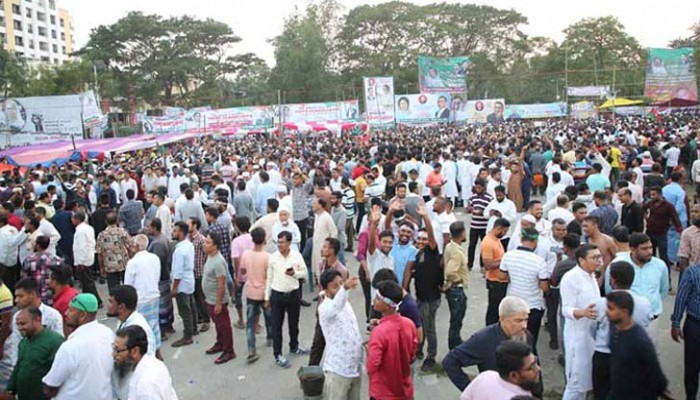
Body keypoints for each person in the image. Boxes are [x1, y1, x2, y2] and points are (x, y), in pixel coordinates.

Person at [443, 296, 538, 393]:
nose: (524, 325)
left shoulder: (527, 336)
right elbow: (450, 361)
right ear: (502, 318)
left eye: (526, 320)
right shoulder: (484, 339)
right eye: (518, 320)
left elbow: (534, 366)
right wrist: (471, 390)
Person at [591, 261, 653, 400]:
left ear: (612, 280)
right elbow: (646, 324)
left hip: (604, 354)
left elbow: (592, 328)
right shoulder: (644, 303)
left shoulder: (601, 303)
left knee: (602, 392)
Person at [42, 293, 114, 400]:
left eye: (71, 310)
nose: (66, 313)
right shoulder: (108, 334)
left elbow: (51, 386)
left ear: (82, 315)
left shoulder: (71, 346)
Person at [606, 291, 669, 400]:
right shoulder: (614, 328)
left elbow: (657, 377)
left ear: (624, 312)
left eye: (611, 308)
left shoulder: (640, 341)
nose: (606, 311)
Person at [605, 233, 669, 339]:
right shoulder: (618, 265)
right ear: (632, 249)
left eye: (650, 247)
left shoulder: (660, 265)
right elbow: (610, 291)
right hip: (623, 320)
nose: (649, 252)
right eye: (644, 249)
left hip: (650, 320)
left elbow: (663, 291)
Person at [560, 244, 603, 400]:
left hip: (592, 337)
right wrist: (582, 312)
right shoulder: (571, 278)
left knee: (586, 383)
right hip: (577, 338)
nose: (599, 261)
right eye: (594, 258)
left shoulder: (592, 276)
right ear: (581, 260)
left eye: (600, 257)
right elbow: (565, 309)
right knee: (575, 384)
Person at [499, 227, 549, 351]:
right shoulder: (539, 261)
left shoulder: (508, 256)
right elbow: (544, 287)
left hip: (513, 306)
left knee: (512, 343)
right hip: (532, 307)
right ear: (536, 242)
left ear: (521, 239)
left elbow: (502, 276)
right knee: (529, 344)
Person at [366, 280, 417, 400]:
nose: (374, 300)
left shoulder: (378, 333)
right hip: (405, 389)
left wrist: (369, 349)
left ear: (388, 305)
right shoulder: (409, 324)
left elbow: (372, 365)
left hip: (383, 392)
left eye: (378, 298)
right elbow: (412, 352)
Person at [265, 231, 309, 368]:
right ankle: (277, 354)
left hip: (293, 294)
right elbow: (269, 278)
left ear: (289, 243)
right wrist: (267, 297)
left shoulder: (296, 256)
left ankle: (294, 346)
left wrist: (294, 274)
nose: (280, 245)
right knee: (277, 326)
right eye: (278, 242)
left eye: (282, 242)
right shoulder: (273, 258)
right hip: (277, 295)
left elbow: (305, 274)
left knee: (293, 323)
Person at [318, 270, 362, 400]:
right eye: (335, 286)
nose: (339, 288)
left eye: (341, 283)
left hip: (355, 367)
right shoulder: (325, 308)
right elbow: (335, 306)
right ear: (326, 290)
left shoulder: (346, 303)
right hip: (338, 370)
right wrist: (345, 288)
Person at [4, 307, 64, 400]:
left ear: (37, 320)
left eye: (23, 324)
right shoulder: (24, 342)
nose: (20, 328)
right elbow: (19, 367)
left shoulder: (55, 341)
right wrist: (10, 390)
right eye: (18, 325)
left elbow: (61, 371)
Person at [112, 325, 178, 400]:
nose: (113, 355)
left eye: (118, 350)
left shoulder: (146, 386)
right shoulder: (154, 363)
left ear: (135, 351)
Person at [460, 341, 540, 400]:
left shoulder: (485, 377)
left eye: (536, 361)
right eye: (531, 367)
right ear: (513, 375)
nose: (538, 369)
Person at [124, 234, 162, 353]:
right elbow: (157, 276)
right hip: (154, 295)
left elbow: (128, 285)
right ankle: (157, 350)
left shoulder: (133, 262)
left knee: (140, 329)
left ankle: (146, 352)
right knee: (154, 326)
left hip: (140, 300)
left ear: (135, 246)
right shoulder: (154, 258)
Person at [201, 232, 235, 365]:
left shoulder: (218, 261)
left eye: (208, 242)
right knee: (218, 324)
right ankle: (220, 343)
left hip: (217, 300)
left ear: (215, 246)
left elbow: (222, 284)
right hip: (210, 298)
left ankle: (229, 350)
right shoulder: (210, 257)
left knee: (224, 325)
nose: (205, 244)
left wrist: (219, 303)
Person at [240, 227, 271, 363]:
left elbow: (242, 270)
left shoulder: (246, 254)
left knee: (250, 323)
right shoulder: (267, 257)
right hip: (264, 292)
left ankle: (252, 349)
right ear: (264, 240)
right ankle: (270, 338)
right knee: (269, 317)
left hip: (251, 291)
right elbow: (270, 277)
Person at [643, 186, 683, 273]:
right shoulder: (651, 203)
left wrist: (680, 231)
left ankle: (667, 277)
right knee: (649, 255)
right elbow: (643, 208)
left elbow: (675, 219)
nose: (652, 197)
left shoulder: (668, 206)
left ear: (660, 194)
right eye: (651, 195)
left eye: (654, 195)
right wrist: (646, 217)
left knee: (663, 256)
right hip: (650, 232)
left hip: (661, 234)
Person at [170, 221, 197, 347]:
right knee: (191, 305)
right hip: (189, 279)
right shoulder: (188, 245)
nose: (173, 232)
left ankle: (188, 335)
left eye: (175, 231)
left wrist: (174, 288)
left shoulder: (180, 250)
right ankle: (194, 327)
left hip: (182, 282)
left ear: (181, 233)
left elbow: (178, 271)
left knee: (184, 309)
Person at [147, 218, 174, 340]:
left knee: (162, 305)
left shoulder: (158, 243)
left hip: (161, 277)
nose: (148, 229)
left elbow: (155, 262)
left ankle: (163, 330)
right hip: (165, 275)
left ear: (154, 228)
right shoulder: (163, 239)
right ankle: (169, 325)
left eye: (149, 227)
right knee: (167, 303)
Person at [444, 220, 469, 350]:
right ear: (462, 233)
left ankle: (456, 341)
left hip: (453, 289)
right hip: (456, 289)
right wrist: (458, 279)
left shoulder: (450, 246)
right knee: (456, 319)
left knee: (457, 318)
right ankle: (454, 346)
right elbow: (450, 271)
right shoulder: (457, 252)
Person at [483, 218, 511, 325]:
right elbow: (488, 265)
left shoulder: (496, 239)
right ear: (499, 228)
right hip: (495, 281)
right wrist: (504, 261)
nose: (505, 234)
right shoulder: (488, 243)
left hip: (500, 280)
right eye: (504, 231)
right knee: (493, 311)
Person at [21, 235, 63, 306]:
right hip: (50, 296)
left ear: (37, 245)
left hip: (34, 297)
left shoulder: (28, 260)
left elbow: (24, 280)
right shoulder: (56, 260)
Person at [96, 212, 130, 294]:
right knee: (126, 286)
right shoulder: (122, 232)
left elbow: (100, 253)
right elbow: (129, 246)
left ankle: (115, 303)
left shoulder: (101, 235)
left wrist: (101, 267)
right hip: (123, 263)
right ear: (117, 221)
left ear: (106, 222)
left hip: (110, 265)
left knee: (113, 288)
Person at [72, 211, 99, 305]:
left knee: (88, 282)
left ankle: (97, 300)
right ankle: (87, 300)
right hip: (89, 256)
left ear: (77, 219)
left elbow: (82, 247)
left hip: (84, 259)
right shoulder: (88, 228)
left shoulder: (80, 231)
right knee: (86, 282)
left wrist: (81, 262)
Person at [188, 217, 210, 333]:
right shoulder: (189, 238)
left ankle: (206, 320)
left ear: (195, 225)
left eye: (189, 224)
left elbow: (207, 254)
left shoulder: (201, 239)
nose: (187, 226)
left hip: (200, 272)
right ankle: (200, 317)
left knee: (202, 298)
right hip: (192, 272)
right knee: (196, 297)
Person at [466, 179, 493, 270]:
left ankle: (482, 265)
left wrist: (482, 212)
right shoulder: (472, 197)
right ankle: (470, 264)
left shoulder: (489, 198)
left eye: (479, 187)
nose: (477, 189)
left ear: (483, 188)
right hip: (474, 225)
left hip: (484, 226)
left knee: (484, 246)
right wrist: (471, 209)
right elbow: (468, 207)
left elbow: (490, 210)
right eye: (476, 187)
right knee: (472, 245)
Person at [311, 198, 337, 288]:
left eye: (315, 203)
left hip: (324, 249)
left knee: (323, 271)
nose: (313, 205)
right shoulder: (317, 216)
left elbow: (334, 232)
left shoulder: (327, 217)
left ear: (320, 205)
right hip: (316, 247)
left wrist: (330, 248)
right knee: (317, 269)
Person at [49, 266, 79, 336]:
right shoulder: (72, 292)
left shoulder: (62, 302)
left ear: (54, 282)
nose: (48, 281)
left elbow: (66, 328)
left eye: (49, 278)